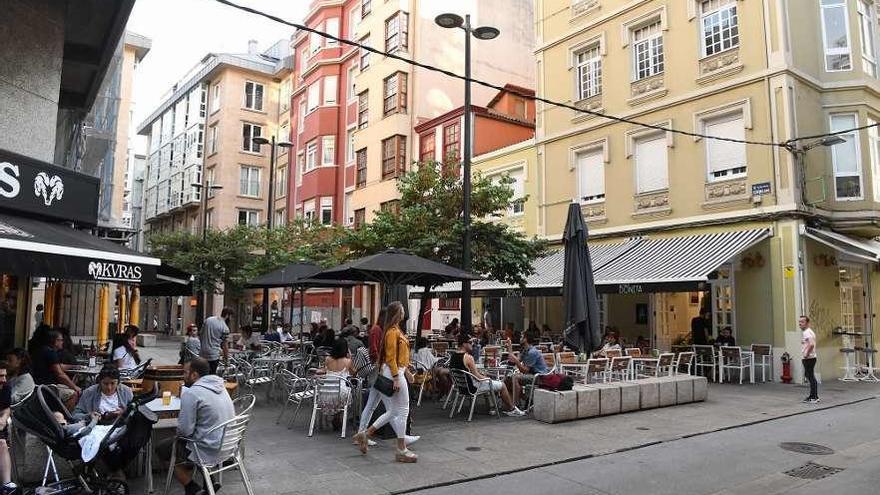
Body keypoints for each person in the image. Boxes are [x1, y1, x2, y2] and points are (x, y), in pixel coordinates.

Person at [156, 357, 235, 495]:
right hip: (229, 445)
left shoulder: (192, 393)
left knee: (162, 448)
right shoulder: (221, 386)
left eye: (185, 372)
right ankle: (209, 480)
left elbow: (184, 431)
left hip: (208, 448)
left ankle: (192, 488)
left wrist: (179, 429)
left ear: (194, 375)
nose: (183, 376)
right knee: (196, 436)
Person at [353, 301, 417, 463]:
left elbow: (396, 357)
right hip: (394, 373)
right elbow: (390, 357)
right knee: (402, 410)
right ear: (397, 313)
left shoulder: (394, 331)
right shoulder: (392, 332)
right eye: (402, 310)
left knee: (395, 411)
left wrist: (407, 371)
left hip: (397, 371)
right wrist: (397, 377)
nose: (404, 312)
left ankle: (365, 434)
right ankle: (401, 449)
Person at [450, 334, 525, 416]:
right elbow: (478, 376)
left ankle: (492, 407)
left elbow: (467, 372)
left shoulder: (453, 356)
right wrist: (487, 378)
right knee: (502, 385)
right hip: (473, 387)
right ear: (464, 344)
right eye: (470, 342)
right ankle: (512, 408)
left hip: (461, 388)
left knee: (487, 382)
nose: (472, 344)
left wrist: (483, 376)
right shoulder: (468, 357)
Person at [32, 330, 80, 408]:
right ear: (55, 341)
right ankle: (65, 417)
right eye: (61, 340)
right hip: (47, 386)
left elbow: (58, 366)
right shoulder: (50, 353)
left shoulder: (42, 350)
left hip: (37, 384)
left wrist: (74, 366)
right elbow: (60, 374)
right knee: (73, 393)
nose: (62, 342)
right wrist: (75, 387)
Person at [508, 331, 549, 404]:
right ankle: (523, 398)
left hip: (540, 377)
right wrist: (510, 346)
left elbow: (525, 371)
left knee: (515, 378)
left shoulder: (532, 352)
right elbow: (512, 360)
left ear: (525, 339)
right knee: (507, 379)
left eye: (521, 337)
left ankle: (515, 405)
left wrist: (517, 361)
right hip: (532, 374)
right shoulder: (525, 350)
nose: (519, 338)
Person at [200, 307, 232, 375]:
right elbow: (225, 346)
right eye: (231, 316)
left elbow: (201, 334)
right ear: (227, 315)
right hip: (213, 355)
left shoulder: (209, 319)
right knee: (211, 375)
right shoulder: (225, 328)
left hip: (202, 353)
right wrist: (226, 362)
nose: (231, 319)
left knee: (202, 375)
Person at [800, 316, 819, 403]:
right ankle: (814, 396)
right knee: (809, 376)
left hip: (809, 358)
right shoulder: (809, 332)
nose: (800, 324)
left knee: (810, 376)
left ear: (807, 323)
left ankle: (814, 397)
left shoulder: (807, 333)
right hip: (811, 357)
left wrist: (806, 354)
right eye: (799, 322)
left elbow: (811, 344)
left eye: (802, 322)